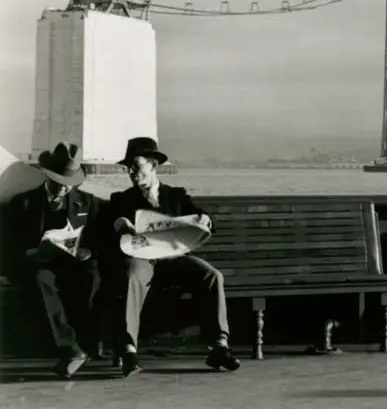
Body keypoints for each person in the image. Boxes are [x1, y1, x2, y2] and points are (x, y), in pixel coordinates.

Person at [102, 137, 240, 376]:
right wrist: (120, 224)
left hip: (172, 259)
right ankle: (128, 350)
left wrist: (205, 218)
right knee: (132, 278)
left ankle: (219, 347)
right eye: (128, 168)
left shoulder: (175, 196)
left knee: (212, 276)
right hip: (141, 258)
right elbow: (110, 221)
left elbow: (199, 216)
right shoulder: (122, 199)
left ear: (154, 166)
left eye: (136, 166)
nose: (131, 172)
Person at [0, 142, 104, 379]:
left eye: (68, 185)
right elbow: (8, 244)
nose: (62, 189)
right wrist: (29, 254)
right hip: (41, 263)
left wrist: (88, 251)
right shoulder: (23, 203)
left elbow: (100, 237)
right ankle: (70, 349)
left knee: (93, 275)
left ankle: (88, 341)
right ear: (47, 176)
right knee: (40, 280)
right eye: (57, 182)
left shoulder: (87, 202)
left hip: (75, 263)